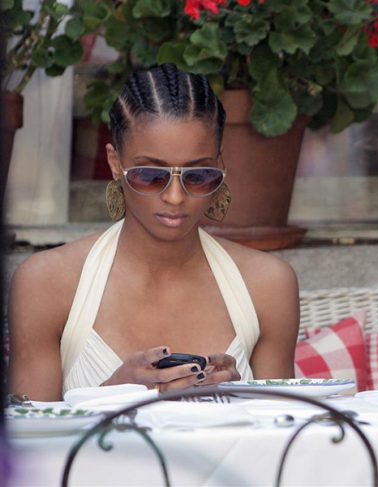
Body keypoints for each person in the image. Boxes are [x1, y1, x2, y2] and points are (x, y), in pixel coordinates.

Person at [8, 64, 300, 401]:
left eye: (197, 175)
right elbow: (30, 442)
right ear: (115, 163)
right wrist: (110, 397)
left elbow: (283, 436)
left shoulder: (267, 284)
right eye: (149, 175)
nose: (175, 197)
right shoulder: (47, 283)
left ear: (220, 167)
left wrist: (241, 397)